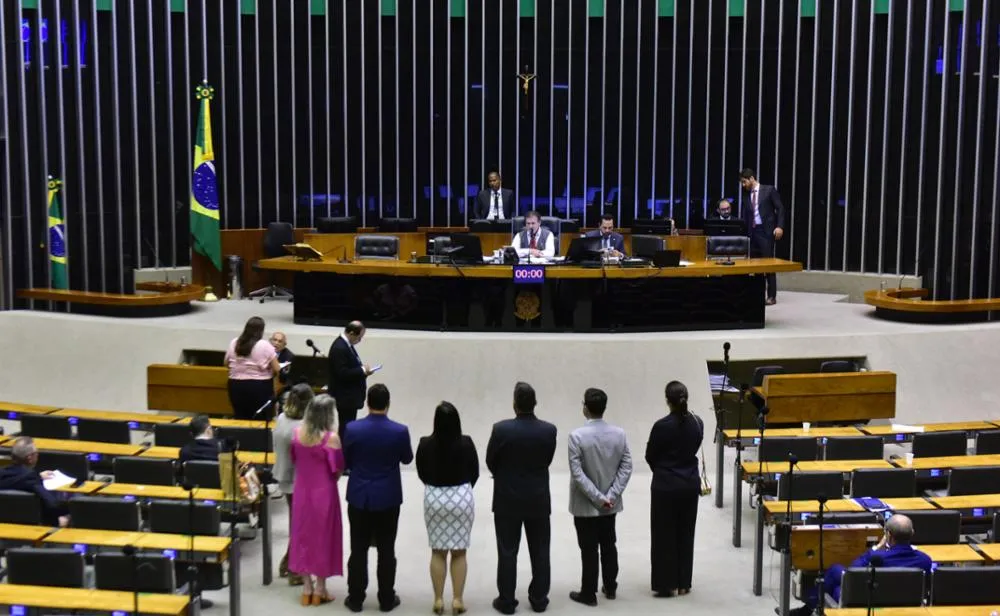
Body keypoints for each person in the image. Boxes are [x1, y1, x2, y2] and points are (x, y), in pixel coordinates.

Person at [486, 382, 558, 615]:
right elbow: (546, 459)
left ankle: (506, 600)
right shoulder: (549, 430)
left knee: (507, 551)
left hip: (507, 498)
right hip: (538, 498)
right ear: (535, 403)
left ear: (514, 404)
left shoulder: (501, 429)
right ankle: (539, 598)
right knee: (540, 550)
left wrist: (503, 475)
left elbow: (491, 460)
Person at [343, 384, 413, 613]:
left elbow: (346, 461)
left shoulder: (352, 429)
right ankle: (386, 598)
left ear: (367, 402)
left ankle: (355, 598)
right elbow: (406, 458)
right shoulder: (399, 431)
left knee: (358, 549)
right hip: (388, 496)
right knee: (386, 549)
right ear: (388, 404)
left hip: (360, 494)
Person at [789, 514, 932, 616]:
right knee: (837, 578)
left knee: (835, 576)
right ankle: (807, 610)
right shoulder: (925, 560)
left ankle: (807, 609)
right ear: (912, 533)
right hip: (906, 607)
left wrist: (876, 548)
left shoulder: (877, 557)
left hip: (872, 603)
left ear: (888, 535)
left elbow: (853, 572)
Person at [567, 388, 633, 606]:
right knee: (609, 543)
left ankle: (588, 593)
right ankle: (611, 586)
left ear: (585, 407)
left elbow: (578, 474)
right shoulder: (619, 434)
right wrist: (610, 495)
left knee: (588, 548)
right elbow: (626, 466)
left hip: (586, 505)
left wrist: (596, 497)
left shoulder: (576, 437)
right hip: (610, 504)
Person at [416, 402, 480, 615]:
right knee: (459, 552)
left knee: (438, 551)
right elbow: (475, 472)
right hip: (461, 497)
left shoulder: (425, 444)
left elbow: (421, 472)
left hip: (435, 497)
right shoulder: (466, 443)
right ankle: (458, 599)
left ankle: (438, 599)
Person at [645, 380, 703, 598]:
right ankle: (683, 582)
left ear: (667, 401)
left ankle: (665, 583)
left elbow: (650, 456)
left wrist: (662, 470)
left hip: (665, 485)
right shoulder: (698, 422)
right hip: (689, 483)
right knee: (686, 533)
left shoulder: (661, 426)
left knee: (663, 534)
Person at [288, 394, 346, 606]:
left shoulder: (296, 434)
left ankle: (306, 588)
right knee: (323, 537)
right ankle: (320, 588)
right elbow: (338, 469)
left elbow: (294, 460)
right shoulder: (331, 438)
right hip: (324, 494)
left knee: (302, 535)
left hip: (302, 492)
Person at [273, 383, 314, 586]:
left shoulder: (281, 418)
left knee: (296, 521)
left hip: (283, 473)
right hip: (298, 478)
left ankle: (288, 562)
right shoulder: (302, 427)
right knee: (300, 524)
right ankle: (294, 570)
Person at [739, 168, 785, 305]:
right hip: (752, 232)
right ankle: (758, 294)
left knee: (768, 264)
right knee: (755, 265)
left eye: (744, 182)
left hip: (766, 232)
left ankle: (771, 296)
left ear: (752, 178)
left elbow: (780, 208)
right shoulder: (746, 194)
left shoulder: (769, 190)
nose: (743, 185)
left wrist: (780, 226)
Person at [0, 437, 69, 527]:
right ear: (30, 458)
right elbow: (52, 504)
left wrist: (39, 476)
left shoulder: (2, 473)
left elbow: (17, 480)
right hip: (35, 525)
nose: (37, 455)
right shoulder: (31, 478)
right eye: (36, 453)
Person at [328, 321, 375, 443]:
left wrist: (362, 371)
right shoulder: (340, 347)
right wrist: (362, 370)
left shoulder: (346, 345)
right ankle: (344, 454)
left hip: (349, 397)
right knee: (345, 428)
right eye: (359, 337)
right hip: (345, 398)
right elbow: (342, 373)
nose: (360, 340)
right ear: (352, 333)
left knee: (348, 427)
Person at [224, 316, 280, 419]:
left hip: (235, 385)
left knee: (240, 416)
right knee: (260, 419)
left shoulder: (234, 342)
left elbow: (226, 363)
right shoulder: (264, 345)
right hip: (259, 387)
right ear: (261, 330)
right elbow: (277, 368)